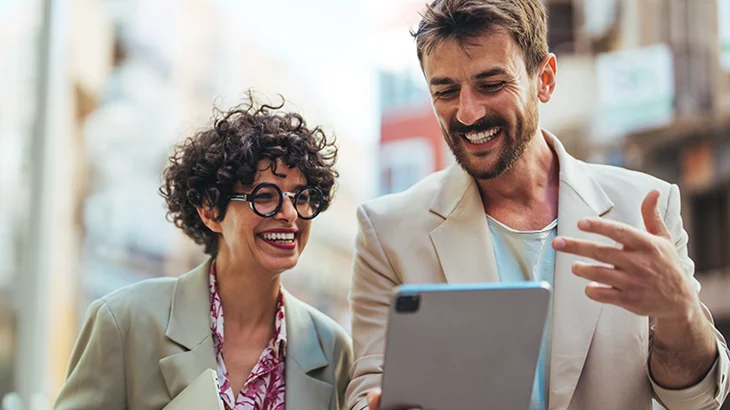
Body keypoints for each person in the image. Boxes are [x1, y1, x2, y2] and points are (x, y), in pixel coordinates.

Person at [345, 1, 730, 409]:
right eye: (445, 91)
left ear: (544, 79)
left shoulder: (644, 208)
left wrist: (680, 312)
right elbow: (366, 389)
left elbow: (697, 399)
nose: (468, 111)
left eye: (491, 84)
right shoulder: (386, 231)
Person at [54, 93, 353, 410]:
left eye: (302, 197)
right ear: (210, 211)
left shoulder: (332, 349)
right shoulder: (124, 322)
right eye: (266, 196)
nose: (291, 214)